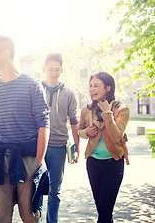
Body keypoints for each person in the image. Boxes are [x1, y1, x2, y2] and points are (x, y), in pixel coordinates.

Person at [0, 35, 50, 223]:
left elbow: (44, 124)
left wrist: (38, 162)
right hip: (0, 161)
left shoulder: (32, 85)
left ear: (6, 53)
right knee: (0, 218)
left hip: (28, 159)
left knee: (29, 217)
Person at [78, 72, 130, 223]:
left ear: (108, 88)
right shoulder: (86, 110)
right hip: (93, 163)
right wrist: (86, 133)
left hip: (113, 164)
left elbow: (116, 137)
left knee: (105, 211)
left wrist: (107, 113)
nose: (92, 89)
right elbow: (79, 130)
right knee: (102, 209)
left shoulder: (122, 109)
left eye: (96, 86)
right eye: (91, 86)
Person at [39, 53, 80, 223]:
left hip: (58, 146)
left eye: (57, 70)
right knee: (37, 188)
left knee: (55, 190)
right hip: (38, 146)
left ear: (61, 71)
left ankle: (52, 221)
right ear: (44, 69)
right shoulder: (36, 89)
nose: (53, 73)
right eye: (50, 69)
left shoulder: (69, 94)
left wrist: (77, 148)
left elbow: (74, 122)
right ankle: (36, 219)